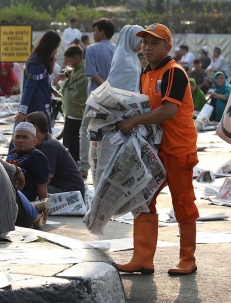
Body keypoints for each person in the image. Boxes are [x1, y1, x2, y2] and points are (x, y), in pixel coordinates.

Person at [117, 23, 199, 276]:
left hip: (178, 148)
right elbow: (145, 107)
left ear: (167, 46)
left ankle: (188, 259)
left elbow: (168, 111)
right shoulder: (145, 73)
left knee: (182, 202)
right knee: (143, 200)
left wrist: (132, 122)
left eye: (154, 43)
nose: (147, 47)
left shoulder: (175, 72)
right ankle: (142, 259)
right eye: (144, 43)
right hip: (153, 149)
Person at [80, 18, 116, 179]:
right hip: (114, 100)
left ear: (102, 32)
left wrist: (104, 89)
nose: (93, 34)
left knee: (85, 131)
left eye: (95, 31)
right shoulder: (117, 50)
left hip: (96, 99)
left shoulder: (92, 49)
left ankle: (83, 167)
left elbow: (93, 74)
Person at [26, 112, 85, 196]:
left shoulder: (49, 146)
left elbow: (45, 180)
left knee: (29, 188)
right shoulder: (43, 143)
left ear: (35, 127)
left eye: (27, 127)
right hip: (61, 187)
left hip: (70, 191)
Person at [16, 30, 61, 131]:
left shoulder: (41, 61)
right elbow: (29, 87)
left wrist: (52, 90)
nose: (56, 51)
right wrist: (22, 111)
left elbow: (41, 82)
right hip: (35, 108)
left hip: (41, 106)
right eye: (55, 48)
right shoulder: (36, 63)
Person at [7, 123, 49, 201]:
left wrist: (44, 211)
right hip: (10, 197)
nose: (20, 140)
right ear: (13, 140)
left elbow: (42, 187)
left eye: (25, 137)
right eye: (17, 137)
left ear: (35, 141)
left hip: (26, 202)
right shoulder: (11, 153)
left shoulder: (37, 157)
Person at [60, 45, 87, 162]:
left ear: (77, 58)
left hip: (77, 114)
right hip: (71, 114)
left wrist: (66, 85)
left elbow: (79, 89)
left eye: (70, 60)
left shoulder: (84, 71)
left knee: (74, 140)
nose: (68, 63)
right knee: (68, 139)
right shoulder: (77, 70)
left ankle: (74, 163)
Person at [107, 24, 144, 92]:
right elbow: (115, 83)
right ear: (133, 39)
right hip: (122, 99)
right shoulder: (122, 58)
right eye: (140, 41)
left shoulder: (133, 57)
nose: (142, 45)